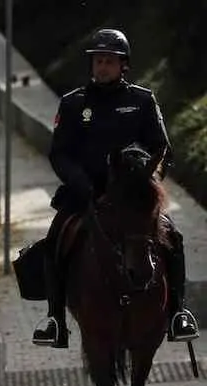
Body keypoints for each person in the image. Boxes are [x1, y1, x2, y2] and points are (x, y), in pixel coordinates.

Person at [34, 28, 199, 347]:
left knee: (173, 237)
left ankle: (178, 312)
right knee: (54, 240)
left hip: (133, 195)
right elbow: (59, 153)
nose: (102, 67)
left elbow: (162, 149)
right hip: (87, 194)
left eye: (109, 61)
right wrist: (81, 184)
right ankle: (55, 319)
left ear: (123, 65)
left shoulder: (143, 100)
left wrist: (145, 178)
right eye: (98, 61)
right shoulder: (73, 103)